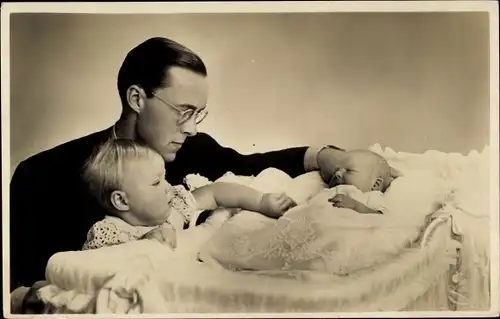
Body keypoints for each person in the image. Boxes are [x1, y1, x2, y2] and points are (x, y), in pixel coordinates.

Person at [9, 36, 395, 296]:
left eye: (199, 114)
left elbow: (252, 164)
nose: (191, 127)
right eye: (183, 112)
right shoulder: (42, 175)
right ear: (137, 98)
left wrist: (329, 157)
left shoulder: (194, 150)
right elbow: (21, 287)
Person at [198, 150, 400, 273]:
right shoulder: (325, 190)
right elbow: (310, 206)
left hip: (337, 231)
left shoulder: (369, 197)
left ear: (376, 184)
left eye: (349, 171)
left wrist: (357, 206)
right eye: (338, 168)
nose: (338, 172)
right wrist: (294, 208)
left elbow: (381, 218)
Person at [81, 139, 297, 251]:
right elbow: (96, 270)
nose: (168, 186)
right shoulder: (108, 233)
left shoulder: (173, 204)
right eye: (156, 182)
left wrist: (261, 201)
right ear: (121, 200)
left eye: (164, 177)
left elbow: (215, 192)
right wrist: (143, 245)